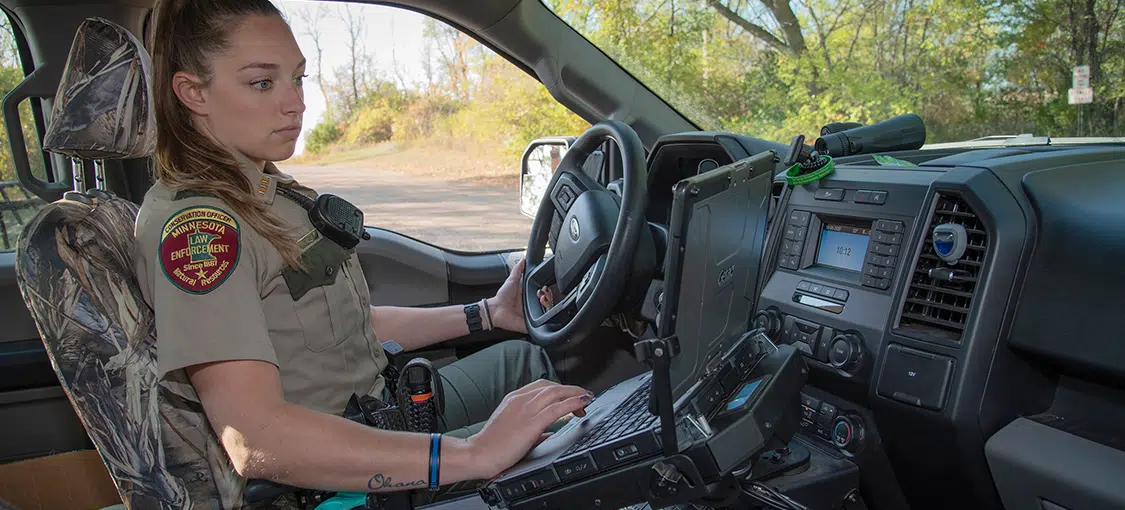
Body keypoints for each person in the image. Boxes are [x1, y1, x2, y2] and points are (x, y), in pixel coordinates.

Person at [133, 0, 591, 500]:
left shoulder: (264, 192)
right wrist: (472, 454)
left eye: (298, 79)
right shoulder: (199, 232)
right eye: (262, 83)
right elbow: (255, 436)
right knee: (572, 453)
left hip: (379, 406)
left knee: (526, 362)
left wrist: (486, 313)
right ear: (193, 92)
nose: (296, 103)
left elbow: (352, 326)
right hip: (331, 476)